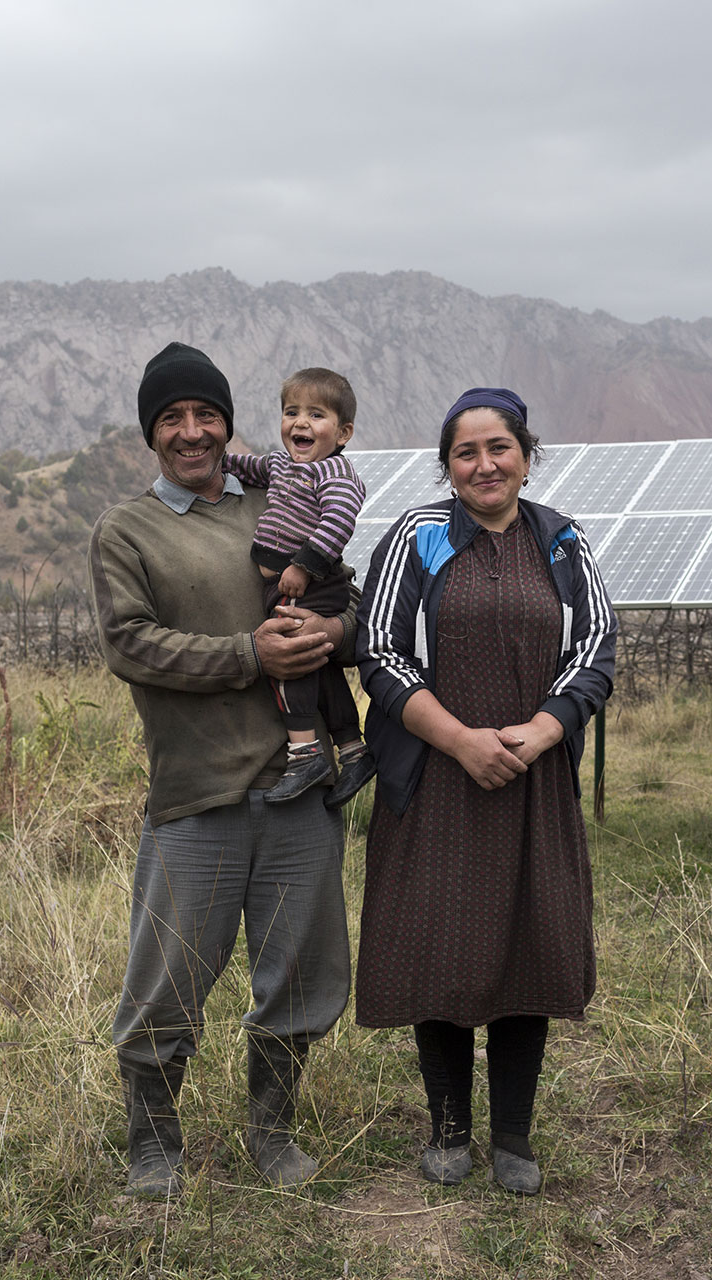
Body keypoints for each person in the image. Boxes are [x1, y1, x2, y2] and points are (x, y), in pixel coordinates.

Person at [89, 341, 354, 1198]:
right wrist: (250, 655)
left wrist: (329, 637)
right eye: (173, 418)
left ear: (228, 424)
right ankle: (154, 1144)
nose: (193, 432)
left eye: (206, 415)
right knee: (166, 979)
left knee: (298, 973)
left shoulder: (286, 495)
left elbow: (342, 598)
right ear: (151, 433)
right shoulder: (127, 530)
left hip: (298, 784)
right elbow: (131, 644)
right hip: (196, 791)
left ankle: (271, 1133)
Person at [353, 386, 617, 1195]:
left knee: (526, 945)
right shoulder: (419, 536)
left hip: (531, 783)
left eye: (498, 447)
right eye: (465, 452)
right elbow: (380, 649)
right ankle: (448, 1129)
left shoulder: (563, 541)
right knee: (440, 945)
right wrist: (463, 740)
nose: (483, 464)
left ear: (526, 455)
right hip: (437, 777)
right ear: (448, 466)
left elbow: (596, 644)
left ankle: (513, 1138)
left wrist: (541, 731)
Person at [221, 367, 374, 807]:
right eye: (292, 412)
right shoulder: (280, 464)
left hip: (309, 585)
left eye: (316, 415)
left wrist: (304, 567)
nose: (301, 423)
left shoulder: (335, 473)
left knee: (288, 663)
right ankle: (354, 751)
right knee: (321, 670)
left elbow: (338, 521)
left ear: (343, 432)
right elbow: (244, 466)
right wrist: (216, 460)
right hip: (289, 584)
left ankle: (305, 753)